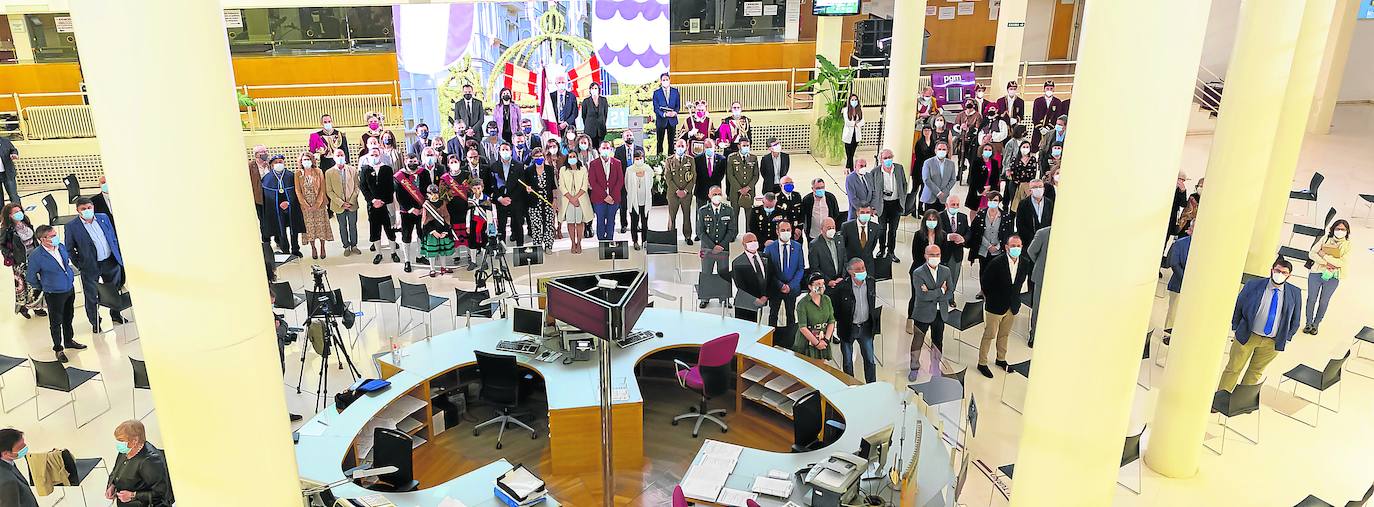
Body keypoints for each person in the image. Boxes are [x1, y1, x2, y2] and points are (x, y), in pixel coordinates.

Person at [1219, 260, 1303, 392]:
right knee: (1233, 368)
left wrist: (1287, 337)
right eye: (1277, 271)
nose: (1279, 274)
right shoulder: (1253, 285)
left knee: (1255, 372)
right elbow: (1238, 306)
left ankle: (1240, 401)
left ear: (1289, 275)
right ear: (1272, 270)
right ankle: (1221, 398)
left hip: (1272, 342)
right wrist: (1236, 327)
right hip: (1248, 335)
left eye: (1284, 272)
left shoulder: (1295, 292)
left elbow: (1295, 318)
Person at [65, 197, 126, 332]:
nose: (87, 211)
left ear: (93, 207)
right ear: (78, 210)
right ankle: (95, 322)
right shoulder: (72, 226)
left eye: (89, 208)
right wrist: (80, 264)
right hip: (90, 266)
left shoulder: (103, 217)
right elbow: (69, 248)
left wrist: (117, 253)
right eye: (83, 209)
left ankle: (115, 314)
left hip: (110, 261)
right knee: (91, 295)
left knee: (114, 290)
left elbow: (112, 236)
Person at [26, 226, 82, 362]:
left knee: (69, 317)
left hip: (68, 287)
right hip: (54, 293)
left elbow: (66, 263)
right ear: (42, 239)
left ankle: (69, 340)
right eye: (52, 236)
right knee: (56, 322)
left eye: (55, 234)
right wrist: (43, 287)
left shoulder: (60, 246)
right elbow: (31, 276)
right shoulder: (36, 256)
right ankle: (58, 348)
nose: (55, 238)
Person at [978, 235, 1028, 377]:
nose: (1016, 248)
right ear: (1006, 247)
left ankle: (1001, 359)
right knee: (989, 335)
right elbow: (985, 283)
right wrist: (993, 297)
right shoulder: (996, 262)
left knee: (1004, 334)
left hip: (1012, 306)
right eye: (1013, 246)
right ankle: (982, 362)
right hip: (995, 306)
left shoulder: (1024, 263)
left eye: (1018, 246)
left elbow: (1019, 283)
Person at [911, 245, 953, 380]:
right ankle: (914, 367)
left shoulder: (946, 271)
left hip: (940, 313)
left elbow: (950, 291)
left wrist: (931, 293)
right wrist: (941, 291)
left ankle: (935, 367)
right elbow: (922, 296)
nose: (935, 257)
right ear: (925, 256)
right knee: (918, 341)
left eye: (937, 254)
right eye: (931, 255)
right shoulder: (918, 273)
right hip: (922, 313)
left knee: (938, 342)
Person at [107, 420, 173, 506]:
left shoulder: (149, 461)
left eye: (121, 440)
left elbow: (161, 493)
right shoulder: (126, 451)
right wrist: (111, 485)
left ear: (135, 440)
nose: (119, 444)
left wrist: (133, 496)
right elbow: (116, 471)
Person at [834, 258, 878, 383]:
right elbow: (836, 307)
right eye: (858, 269)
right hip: (849, 328)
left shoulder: (870, 282)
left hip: (866, 327)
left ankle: (872, 385)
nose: (862, 271)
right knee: (847, 361)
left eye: (863, 268)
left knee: (870, 359)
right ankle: (850, 385)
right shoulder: (842, 287)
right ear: (851, 272)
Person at [1304, 220, 1350, 335]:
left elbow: (1341, 263)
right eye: (1338, 228)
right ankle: (1308, 323)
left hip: (1333, 276)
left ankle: (1316, 324)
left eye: (1343, 229)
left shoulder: (1348, 245)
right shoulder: (1325, 238)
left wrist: (1324, 255)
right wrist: (1325, 263)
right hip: (1316, 272)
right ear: (1333, 229)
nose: (1340, 231)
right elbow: (1312, 253)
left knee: (1324, 301)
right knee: (1311, 299)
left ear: (1347, 231)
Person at [764, 221, 804, 349]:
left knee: (791, 314)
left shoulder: (797, 247)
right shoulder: (770, 248)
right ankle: (771, 340)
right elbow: (768, 270)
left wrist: (790, 286)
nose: (786, 232)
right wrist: (780, 285)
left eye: (788, 229)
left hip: (791, 289)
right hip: (776, 288)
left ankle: (791, 341)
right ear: (777, 232)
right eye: (783, 230)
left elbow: (800, 268)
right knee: (773, 314)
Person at [2, 203, 46, 319]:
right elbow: (2, 245)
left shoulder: (25, 222)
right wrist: (11, 254)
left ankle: (37, 307)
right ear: (9, 215)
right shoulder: (7, 230)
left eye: (19, 210)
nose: (19, 213)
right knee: (23, 287)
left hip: (34, 257)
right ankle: (23, 307)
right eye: (15, 212)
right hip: (20, 262)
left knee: (36, 283)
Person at [697, 186, 737, 308]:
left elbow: (731, 230)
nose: (717, 196)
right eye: (714, 194)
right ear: (709, 196)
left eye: (719, 193)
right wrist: (712, 246)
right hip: (707, 249)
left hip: (723, 249)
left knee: (723, 273)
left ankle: (724, 298)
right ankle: (705, 297)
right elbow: (700, 232)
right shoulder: (703, 210)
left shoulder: (728, 210)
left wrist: (721, 245)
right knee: (706, 272)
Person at [395, 154, 434, 272]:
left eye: (415, 161)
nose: (413, 163)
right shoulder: (399, 176)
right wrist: (411, 209)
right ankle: (407, 261)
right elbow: (399, 196)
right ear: (405, 161)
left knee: (421, 234)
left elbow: (429, 190)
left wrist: (424, 206)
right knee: (406, 236)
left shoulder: (424, 173)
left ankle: (420, 256)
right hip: (407, 211)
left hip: (422, 209)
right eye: (410, 161)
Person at [261, 155, 306, 257]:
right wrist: (278, 204)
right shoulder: (267, 178)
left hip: (291, 206)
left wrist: (288, 202)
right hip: (276, 208)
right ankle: (285, 249)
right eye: (276, 162)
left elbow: (297, 191)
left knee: (293, 228)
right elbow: (267, 196)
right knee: (281, 230)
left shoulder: (291, 175)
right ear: (272, 165)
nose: (278, 164)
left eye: (280, 161)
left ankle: (295, 249)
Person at [360, 155, 401, 265]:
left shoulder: (387, 169)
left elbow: (390, 187)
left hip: (386, 204)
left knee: (390, 229)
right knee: (375, 230)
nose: (374, 156)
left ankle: (393, 252)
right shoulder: (365, 170)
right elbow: (363, 187)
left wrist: (383, 201)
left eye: (376, 154)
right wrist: (373, 200)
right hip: (373, 206)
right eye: (372, 155)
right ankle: (379, 253)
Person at [485, 143, 527, 246]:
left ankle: (520, 247)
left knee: (518, 224)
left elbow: (521, 184)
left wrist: (511, 198)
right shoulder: (494, 166)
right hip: (500, 201)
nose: (505, 151)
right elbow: (492, 185)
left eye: (507, 149)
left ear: (511, 150)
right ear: (499, 152)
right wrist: (500, 198)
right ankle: (502, 247)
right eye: (502, 149)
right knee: (501, 226)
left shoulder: (519, 165)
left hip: (515, 200)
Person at [294, 153, 332, 259]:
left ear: (312, 160)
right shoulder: (298, 174)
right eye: (304, 159)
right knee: (309, 228)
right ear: (301, 161)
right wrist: (305, 204)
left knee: (321, 226)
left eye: (308, 159)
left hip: (319, 204)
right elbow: (297, 190)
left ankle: (322, 247)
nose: (306, 161)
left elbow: (322, 189)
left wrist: (317, 203)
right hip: (305, 205)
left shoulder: (318, 171)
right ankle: (313, 248)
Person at [324, 149, 361, 257]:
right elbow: (329, 190)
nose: (340, 157)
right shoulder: (329, 172)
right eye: (337, 155)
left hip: (352, 204)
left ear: (344, 156)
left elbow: (357, 187)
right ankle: (346, 246)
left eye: (341, 155)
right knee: (342, 226)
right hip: (338, 205)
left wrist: (351, 201)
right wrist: (341, 203)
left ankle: (354, 245)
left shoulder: (352, 170)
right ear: (334, 157)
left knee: (352, 225)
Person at [875, 149, 909, 263]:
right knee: (882, 229)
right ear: (881, 159)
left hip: (896, 203)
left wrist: (902, 198)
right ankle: (881, 250)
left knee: (893, 230)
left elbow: (904, 184)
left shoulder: (899, 168)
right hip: (882, 204)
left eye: (890, 157)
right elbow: (873, 190)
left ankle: (891, 252)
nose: (888, 160)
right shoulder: (875, 171)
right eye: (885, 158)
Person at [794, 273, 836, 361]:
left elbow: (831, 321)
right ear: (810, 287)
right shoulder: (803, 304)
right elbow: (803, 327)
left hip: (823, 339)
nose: (821, 287)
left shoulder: (827, 299)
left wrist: (826, 340)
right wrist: (817, 343)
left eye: (823, 284)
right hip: (807, 342)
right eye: (818, 284)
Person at [968, 191, 1015, 271]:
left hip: (999, 252)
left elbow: (1008, 235)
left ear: (999, 201)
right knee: (984, 274)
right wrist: (988, 246)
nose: (992, 202)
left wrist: (997, 247)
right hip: (983, 251)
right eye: (990, 200)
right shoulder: (980, 215)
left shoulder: (1006, 217)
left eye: (995, 200)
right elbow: (976, 232)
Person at [523, 150, 558, 253]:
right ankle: (538, 246)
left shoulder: (549, 169)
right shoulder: (529, 171)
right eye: (536, 156)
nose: (539, 158)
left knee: (549, 224)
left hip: (548, 201)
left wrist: (555, 200)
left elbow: (553, 186)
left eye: (541, 156)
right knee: (536, 225)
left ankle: (548, 245)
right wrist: (527, 189)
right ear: (533, 158)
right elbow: (526, 187)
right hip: (534, 202)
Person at [588, 141, 624, 241]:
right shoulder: (594, 164)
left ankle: (609, 240)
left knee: (611, 220)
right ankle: (601, 242)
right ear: (599, 150)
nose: (605, 150)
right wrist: (605, 196)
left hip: (613, 198)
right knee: (600, 220)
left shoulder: (617, 163)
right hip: (599, 198)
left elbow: (620, 180)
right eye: (603, 148)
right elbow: (593, 182)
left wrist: (611, 196)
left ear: (611, 149)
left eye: (608, 148)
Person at [1022, 225, 1051, 345]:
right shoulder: (1043, 233)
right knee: (1037, 307)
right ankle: (1034, 334)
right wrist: (1040, 264)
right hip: (1041, 276)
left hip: (1060, 279)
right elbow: (1031, 251)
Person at [1163, 223, 1191, 342]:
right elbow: (1174, 264)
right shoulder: (1180, 243)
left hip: (1195, 287)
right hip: (1179, 283)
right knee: (1174, 309)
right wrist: (1187, 279)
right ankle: (1168, 334)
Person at [664, 138, 696, 244]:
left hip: (686, 194)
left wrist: (686, 190)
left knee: (687, 215)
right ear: (675, 147)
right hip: (673, 193)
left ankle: (687, 236)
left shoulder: (690, 160)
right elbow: (668, 177)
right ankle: (670, 236)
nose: (680, 148)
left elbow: (693, 176)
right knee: (672, 215)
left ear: (686, 147)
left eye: (682, 146)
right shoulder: (669, 160)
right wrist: (677, 190)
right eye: (679, 146)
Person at [937, 195, 970, 297]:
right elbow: (937, 234)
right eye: (953, 204)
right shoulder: (939, 217)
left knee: (954, 276)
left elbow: (968, 231)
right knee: (941, 277)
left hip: (957, 254)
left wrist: (964, 239)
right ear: (947, 205)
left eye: (957, 205)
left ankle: (950, 296)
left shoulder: (963, 217)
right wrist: (948, 237)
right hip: (943, 252)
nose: (955, 207)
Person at [558, 153, 591, 253]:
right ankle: (573, 243)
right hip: (567, 200)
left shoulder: (583, 169)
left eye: (574, 157)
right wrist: (571, 198)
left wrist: (576, 198)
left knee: (580, 222)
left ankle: (579, 243)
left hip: (580, 199)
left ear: (577, 158)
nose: (572, 159)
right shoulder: (563, 170)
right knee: (571, 222)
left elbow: (584, 185)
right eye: (570, 157)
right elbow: (561, 186)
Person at [419, 185, 454, 277]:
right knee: (432, 252)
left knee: (443, 251)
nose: (434, 195)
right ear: (428, 195)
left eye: (436, 193)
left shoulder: (442, 203)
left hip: (442, 230)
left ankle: (443, 267)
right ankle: (432, 269)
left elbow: (446, 216)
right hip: (431, 232)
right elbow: (425, 221)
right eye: (432, 193)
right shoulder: (426, 205)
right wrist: (433, 231)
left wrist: (445, 231)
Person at [732, 233, 770, 312]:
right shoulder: (737, 262)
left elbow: (769, 278)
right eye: (749, 241)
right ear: (744, 244)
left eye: (755, 241)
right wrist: (755, 299)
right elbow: (740, 285)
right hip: (745, 304)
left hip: (762, 300)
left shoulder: (765, 257)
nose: (753, 243)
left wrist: (765, 296)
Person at [0, 428, 38, 507]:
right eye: (21, 447)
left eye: (24, 443)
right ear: (6, 453)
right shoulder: (7, 481)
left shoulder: (7, 463)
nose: (25, 447)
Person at [624, 149, 653, 250]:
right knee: (634, 222)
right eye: (637, 158)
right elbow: (627, 185)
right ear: (633, 159)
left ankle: (645, 240)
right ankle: (635, 241)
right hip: (634, 201)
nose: (639, 160)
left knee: (645, 223)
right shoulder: (629, 170)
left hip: (645, 201)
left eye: (640, 158)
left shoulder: (648, 169)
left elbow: (651, 183)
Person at [841, 204, 883, 272]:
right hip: (852, 264)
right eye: (862, 212)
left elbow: (872, 246)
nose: (865, 214)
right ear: (857, 213)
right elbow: (843, 246)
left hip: (868, 264)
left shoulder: (876, 227)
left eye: (867, 212)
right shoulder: (846, 226)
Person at [920, 141, 957, 213]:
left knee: (941, 220)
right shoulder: (928, 162)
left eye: (944, 149)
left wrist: (944, 192)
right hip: (930, 197)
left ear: (947, 151)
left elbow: (953, 179)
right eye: (939, 149)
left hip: (943, 198)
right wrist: (938, 192)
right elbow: (926, 179)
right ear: (935, 150)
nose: (941, 151)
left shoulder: (951, 164)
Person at [1015, 179, 1054, 247]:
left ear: (1044, 189)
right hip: (1029, 242)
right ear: (1030, 190)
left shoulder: (1049, 203)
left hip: (1046, 242)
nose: (1038, 189)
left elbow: (1052, 221)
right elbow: (1020, 224)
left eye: (1040, 186)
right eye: (1035, 187)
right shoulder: (1023, 204)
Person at [614, 132, 639, 234]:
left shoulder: (639, 149)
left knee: (635, 204)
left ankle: (636, 224)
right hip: (623, 181)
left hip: (636, 181)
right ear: (623, 138)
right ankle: (624, 224)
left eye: (630, 135)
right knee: (623, 205)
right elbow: (616, 166)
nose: (629, 137)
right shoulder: (619, 150)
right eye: (627, 136)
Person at [651, 72, 681, 156]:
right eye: (663, 80)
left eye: (667, 79)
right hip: (661, 121)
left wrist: (675, 112)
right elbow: (656, 108)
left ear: (669, 80)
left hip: (672, 121)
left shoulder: (675, 91)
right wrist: (664, 114)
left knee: (671, 143)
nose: (665, 81)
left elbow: (678, 105)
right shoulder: (656, 93)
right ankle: (659, 161)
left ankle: (671, 160)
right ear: (661, 81)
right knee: (659, 142)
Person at [694, 139, 727, 213]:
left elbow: (721, 175)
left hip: (715, 192)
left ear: (714, 147)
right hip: (701, 191)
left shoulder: (722, 159)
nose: (709, 149)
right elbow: (696, 175)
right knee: (700, 214)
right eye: (706, 147)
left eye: (710, 147)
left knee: (715, 213)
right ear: (704, 148)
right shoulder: (697, 159)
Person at [1006, 138, 1039, 210]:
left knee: (1026, 205)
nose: (1025, 149)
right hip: (1015, 185)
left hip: (1027, 185)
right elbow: (1012, 171)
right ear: (1020, 148)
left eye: (1027, 147)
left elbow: (1033, 173)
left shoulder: (1033, 159)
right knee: (1014, 204)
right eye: (1024, 147)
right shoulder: (1015, 159)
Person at [967, 143, 1001, 211]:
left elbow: (996, 178)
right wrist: (981, 190)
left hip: (990, 190)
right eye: (985, 149)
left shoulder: (995, 163)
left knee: (986, 209)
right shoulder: (976, 161)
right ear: (982, 150)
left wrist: (991, 187)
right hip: (978, 189)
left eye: (989, 150)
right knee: (974, 209)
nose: (987, 151)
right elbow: (973, 177)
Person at [247, 145, 271, 238]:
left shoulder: (269, 164)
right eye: (262, 152)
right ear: (256, 155)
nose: (265, 154)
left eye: (265, 151)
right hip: (259, 197)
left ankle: (279, 241)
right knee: (263, 221)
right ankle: (266, 241)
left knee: (274, 219)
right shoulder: (251, 166)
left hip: (270, 196)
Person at [1031, 81, 1062, 148]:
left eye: (1051, 88)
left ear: (1054, 89)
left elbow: (1057, 116)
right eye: (1047, 88)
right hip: (1038, 129)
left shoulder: (1058, 102)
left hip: (1050, 130)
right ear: (1044, 89)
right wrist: (1040, 128)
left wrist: (1048, 127)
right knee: (1035, 147)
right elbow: (1035, 116)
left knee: (1048, 147)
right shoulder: (1038, 101)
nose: (1049, 90)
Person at [581, 82, 609, 148]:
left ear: (599, 89)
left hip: (601, 130)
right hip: (590, 130)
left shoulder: (603, 100)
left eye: (595, 88)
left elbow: (605, 114)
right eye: (592, 88)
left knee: (601, 148)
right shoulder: (586, 101)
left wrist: (602, 123)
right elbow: (583, 116)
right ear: (590, 90)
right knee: (591, 149)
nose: (594, 90)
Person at [841, 94, 865, 171]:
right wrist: (855, 123)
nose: (854, 101)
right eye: (852, 100)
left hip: (856, 135)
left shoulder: (860, 110)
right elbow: (847, 122)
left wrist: (856, 124)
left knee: (852, 154)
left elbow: (862, 122)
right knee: (849, 154)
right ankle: (851, 169)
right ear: (849, 101)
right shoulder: (845, 110)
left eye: (855, 100)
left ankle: (848, 168)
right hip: (848, 135)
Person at [0, 136, 19, 205]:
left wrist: (14, 154)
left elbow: (13, 150)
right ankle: (1, 214)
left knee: (13, 195)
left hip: (7, 173)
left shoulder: (5, 141)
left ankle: (18, 213)